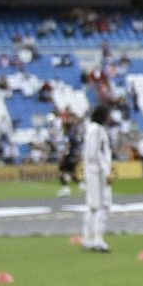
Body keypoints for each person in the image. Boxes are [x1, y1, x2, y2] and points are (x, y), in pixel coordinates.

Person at [80, 104, 112, 252]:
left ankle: (88, 239)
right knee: (103, 205)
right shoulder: (97, 130)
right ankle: (98, 239)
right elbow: (96, 152)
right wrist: (106, 171)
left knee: (93, 207)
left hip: (91, 171)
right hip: (97, 172)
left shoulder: (90, 128)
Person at [55, 109, 82, 196]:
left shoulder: (67, 135)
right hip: (73, 155)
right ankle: (82, 186)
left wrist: (64, 155)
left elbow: (68, 145)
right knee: (71, 173)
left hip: (69, 156)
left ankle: (66, 189)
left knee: (62, 171)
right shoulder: (73, 134)